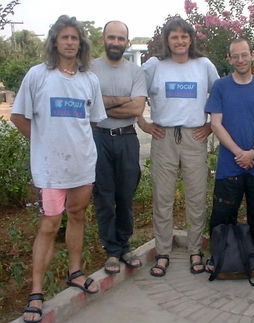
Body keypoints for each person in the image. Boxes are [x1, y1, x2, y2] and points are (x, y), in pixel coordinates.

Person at [10, 15, 106, 323]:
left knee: (77, 217)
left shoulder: (89, 79)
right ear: (55, 42)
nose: (69, 42)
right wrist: (44, 143)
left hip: (82, 167)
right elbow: (19, 117)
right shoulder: (38, 76)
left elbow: (91, 120)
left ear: (81, 44)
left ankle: (75, 272)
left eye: (74, 38)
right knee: (49, 226)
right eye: (64, 37)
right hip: (50, 170)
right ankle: (36, 291)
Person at [138, 17, 219, 277]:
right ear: (167, 40)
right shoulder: (154, 65)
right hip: (164, 138)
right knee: (162, 198)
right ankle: (163, 252)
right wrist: (143, 123)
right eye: (174, 36)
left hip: (195, 138)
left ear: (191, 38)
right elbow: (136, 92)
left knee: (197, 198)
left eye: (184, 36)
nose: (180, 41)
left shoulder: (203, 65)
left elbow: (220, 96)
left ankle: (196, 250)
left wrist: (210, 127)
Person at [204, 38, 254, 275]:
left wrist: (252, 152)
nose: (240, 60)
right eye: (235, 56)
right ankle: (219, 255)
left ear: (252, 55)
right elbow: (216, 124)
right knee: (222, 215)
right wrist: (239, 154)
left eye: (244, 55)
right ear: (229, 59)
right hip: (229, 165)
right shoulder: (220, 87)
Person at [91, 21, 147, 274]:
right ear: (103, 39)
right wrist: (123, 99)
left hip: (126, 138)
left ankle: (124, 245)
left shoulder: (136, 72)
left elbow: (137, 109)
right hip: (97, 138)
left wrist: (102, 104)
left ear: (127, 41)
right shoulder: (89, 69)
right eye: (111, 37)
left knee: (125, 196)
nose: (116, 42)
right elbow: (87, 104)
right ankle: (111, 251)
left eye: (121, 38)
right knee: (103, 196)